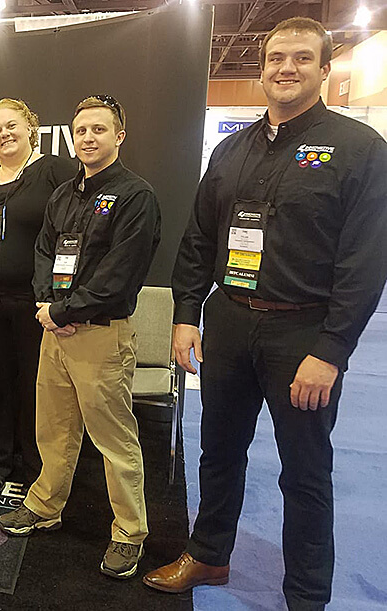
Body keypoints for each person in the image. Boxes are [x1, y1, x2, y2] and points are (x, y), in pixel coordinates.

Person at [143, 18, 387, 610]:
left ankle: (306, 595)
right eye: (276, 57)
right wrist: (185, 313)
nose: (286, 68)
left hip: (304, 332)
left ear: (325, 69)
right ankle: (209, 554)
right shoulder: (232, 149)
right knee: (218, 450)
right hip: (229, 320)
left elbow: (366, 260)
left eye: (302, 58)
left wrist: (331, 350)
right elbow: (200, 237)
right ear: (262, 68)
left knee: (305, 471)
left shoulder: (360, 150)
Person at [0, 96, 161, 580]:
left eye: (98, 129)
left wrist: (64, 311)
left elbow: (120, 273)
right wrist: (48, 305)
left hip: (101, 335)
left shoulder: (136, 196)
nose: (88, 138)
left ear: (119, 136)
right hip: (56, 330)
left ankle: (129, 532)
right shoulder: (64, 194)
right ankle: (45, 506)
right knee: (53, 428)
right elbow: (44, 251)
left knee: (113, 440)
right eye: (81, 130)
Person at [0, 98, 76, 491]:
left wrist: (61, 294)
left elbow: (73, 230)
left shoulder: (53, 170)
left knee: (36, 385)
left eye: (11, 126)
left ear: (30, 129)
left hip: (34, 302)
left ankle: (37, 464)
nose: (4, 134)